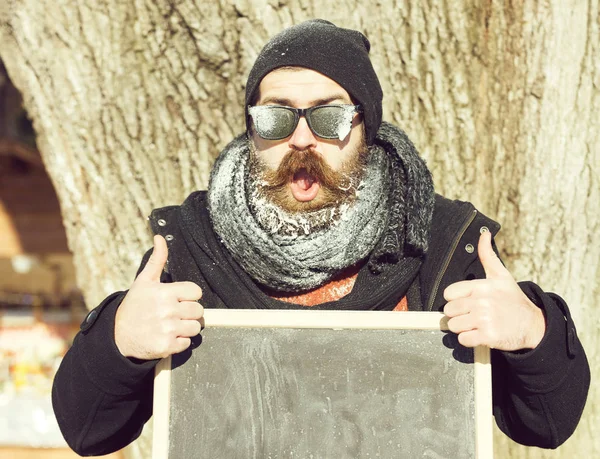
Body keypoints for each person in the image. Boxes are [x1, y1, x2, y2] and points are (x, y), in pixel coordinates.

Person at [52, 19, 589, 456]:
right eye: (276, 116)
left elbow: (547, 423)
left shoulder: (439, 242)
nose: (302, 138)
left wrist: (533, 335)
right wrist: (118, 343)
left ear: (365, 127)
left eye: (330, 117)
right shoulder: (193, 247)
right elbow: (88, 429)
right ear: (252, 128)